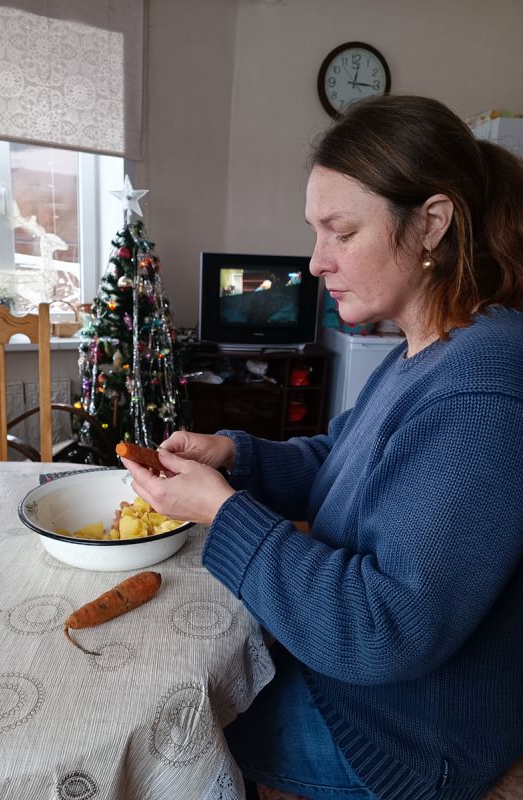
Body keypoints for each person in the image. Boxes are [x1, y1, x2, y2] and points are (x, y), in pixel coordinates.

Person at [120, 95, 523, 800]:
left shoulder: (484, 391)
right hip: (355, 685)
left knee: (163, 729)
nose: (314, 263)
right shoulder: (424, 350)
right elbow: (340, 462)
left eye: (342, 232)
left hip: (403, 735)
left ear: (431, 223)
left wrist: (224, 514)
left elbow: (383, 628)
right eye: (316, 233)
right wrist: (234, 458)